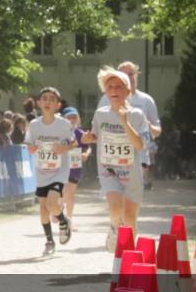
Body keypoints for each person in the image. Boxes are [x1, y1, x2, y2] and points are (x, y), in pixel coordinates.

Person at [83, 67, 151, 252]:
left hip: (132, 173)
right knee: (115, 210)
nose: (114, 90)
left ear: (128, 91)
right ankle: (114, 229)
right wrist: (88, 138)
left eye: (119, 87)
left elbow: (140, 145)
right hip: (109, 170)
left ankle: (128, 257)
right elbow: (95, 135)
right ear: (105, 91)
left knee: (129, 218)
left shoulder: (137, 115)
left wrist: (125, 122)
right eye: (110, 86)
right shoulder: (100, 114)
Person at [24, 87, 75, 256]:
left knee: (52, 204)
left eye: (51, 99)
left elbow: (73, 143)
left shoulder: (64, 124)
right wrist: (31, 148)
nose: (47, 101)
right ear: (39, 103)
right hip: (42, 171)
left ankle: (63, 221)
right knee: (43, 210)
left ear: (57, 105)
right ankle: (49, 241)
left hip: (59, 171)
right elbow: (29, 145)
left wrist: (63, 147)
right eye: (44, 98)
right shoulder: (34, 124)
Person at [98, 61, 161, 188]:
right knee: (116, 198)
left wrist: (146, 124)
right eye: (123, 74)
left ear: (136, 75)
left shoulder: (146, 100)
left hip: (139, 157)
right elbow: (98, 126)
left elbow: (157, 131)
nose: (128, 77)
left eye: (131, 74)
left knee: (132, 197)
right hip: (113, 157)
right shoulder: (106, 99)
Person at [61, 106, 92, 231]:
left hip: (74, 166)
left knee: (71, 194)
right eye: (69, 117)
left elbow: (88, 146)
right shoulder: (58, 132)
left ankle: (69, 220)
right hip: (60, 167)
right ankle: (58, 207)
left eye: (74, 117)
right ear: (63, 119)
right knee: (60, 193)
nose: (71, 120)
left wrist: (86, 154)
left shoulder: (79, 133)